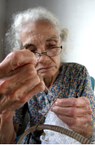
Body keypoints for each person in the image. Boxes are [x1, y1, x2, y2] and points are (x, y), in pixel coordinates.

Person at [0, 7, 95, 144]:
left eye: (51, 46)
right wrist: (6, 113)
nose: (43, 59)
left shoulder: (78, 73)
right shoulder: (23, 80)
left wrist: (87, 129)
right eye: (31, 50)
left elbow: (91, 131)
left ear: (61, 43)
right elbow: (7, 141)